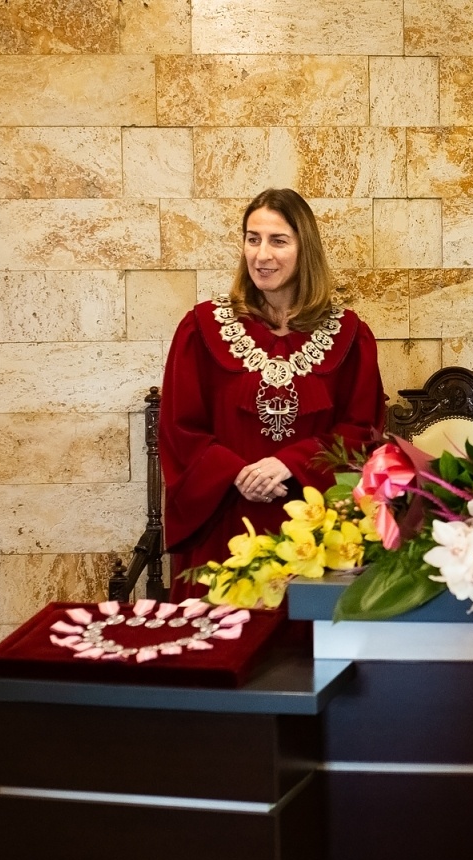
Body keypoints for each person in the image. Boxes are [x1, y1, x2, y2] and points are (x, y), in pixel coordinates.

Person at [159, 188, 387, 599]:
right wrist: (238, 475)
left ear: (305, 249)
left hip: (313, 525)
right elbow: (179, 429)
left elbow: (363, 431)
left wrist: (289, 465)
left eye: (278, 241)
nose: (262, 255)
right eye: (253, 238)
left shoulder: (350, 335)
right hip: (222, 516)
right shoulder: (201, 328)